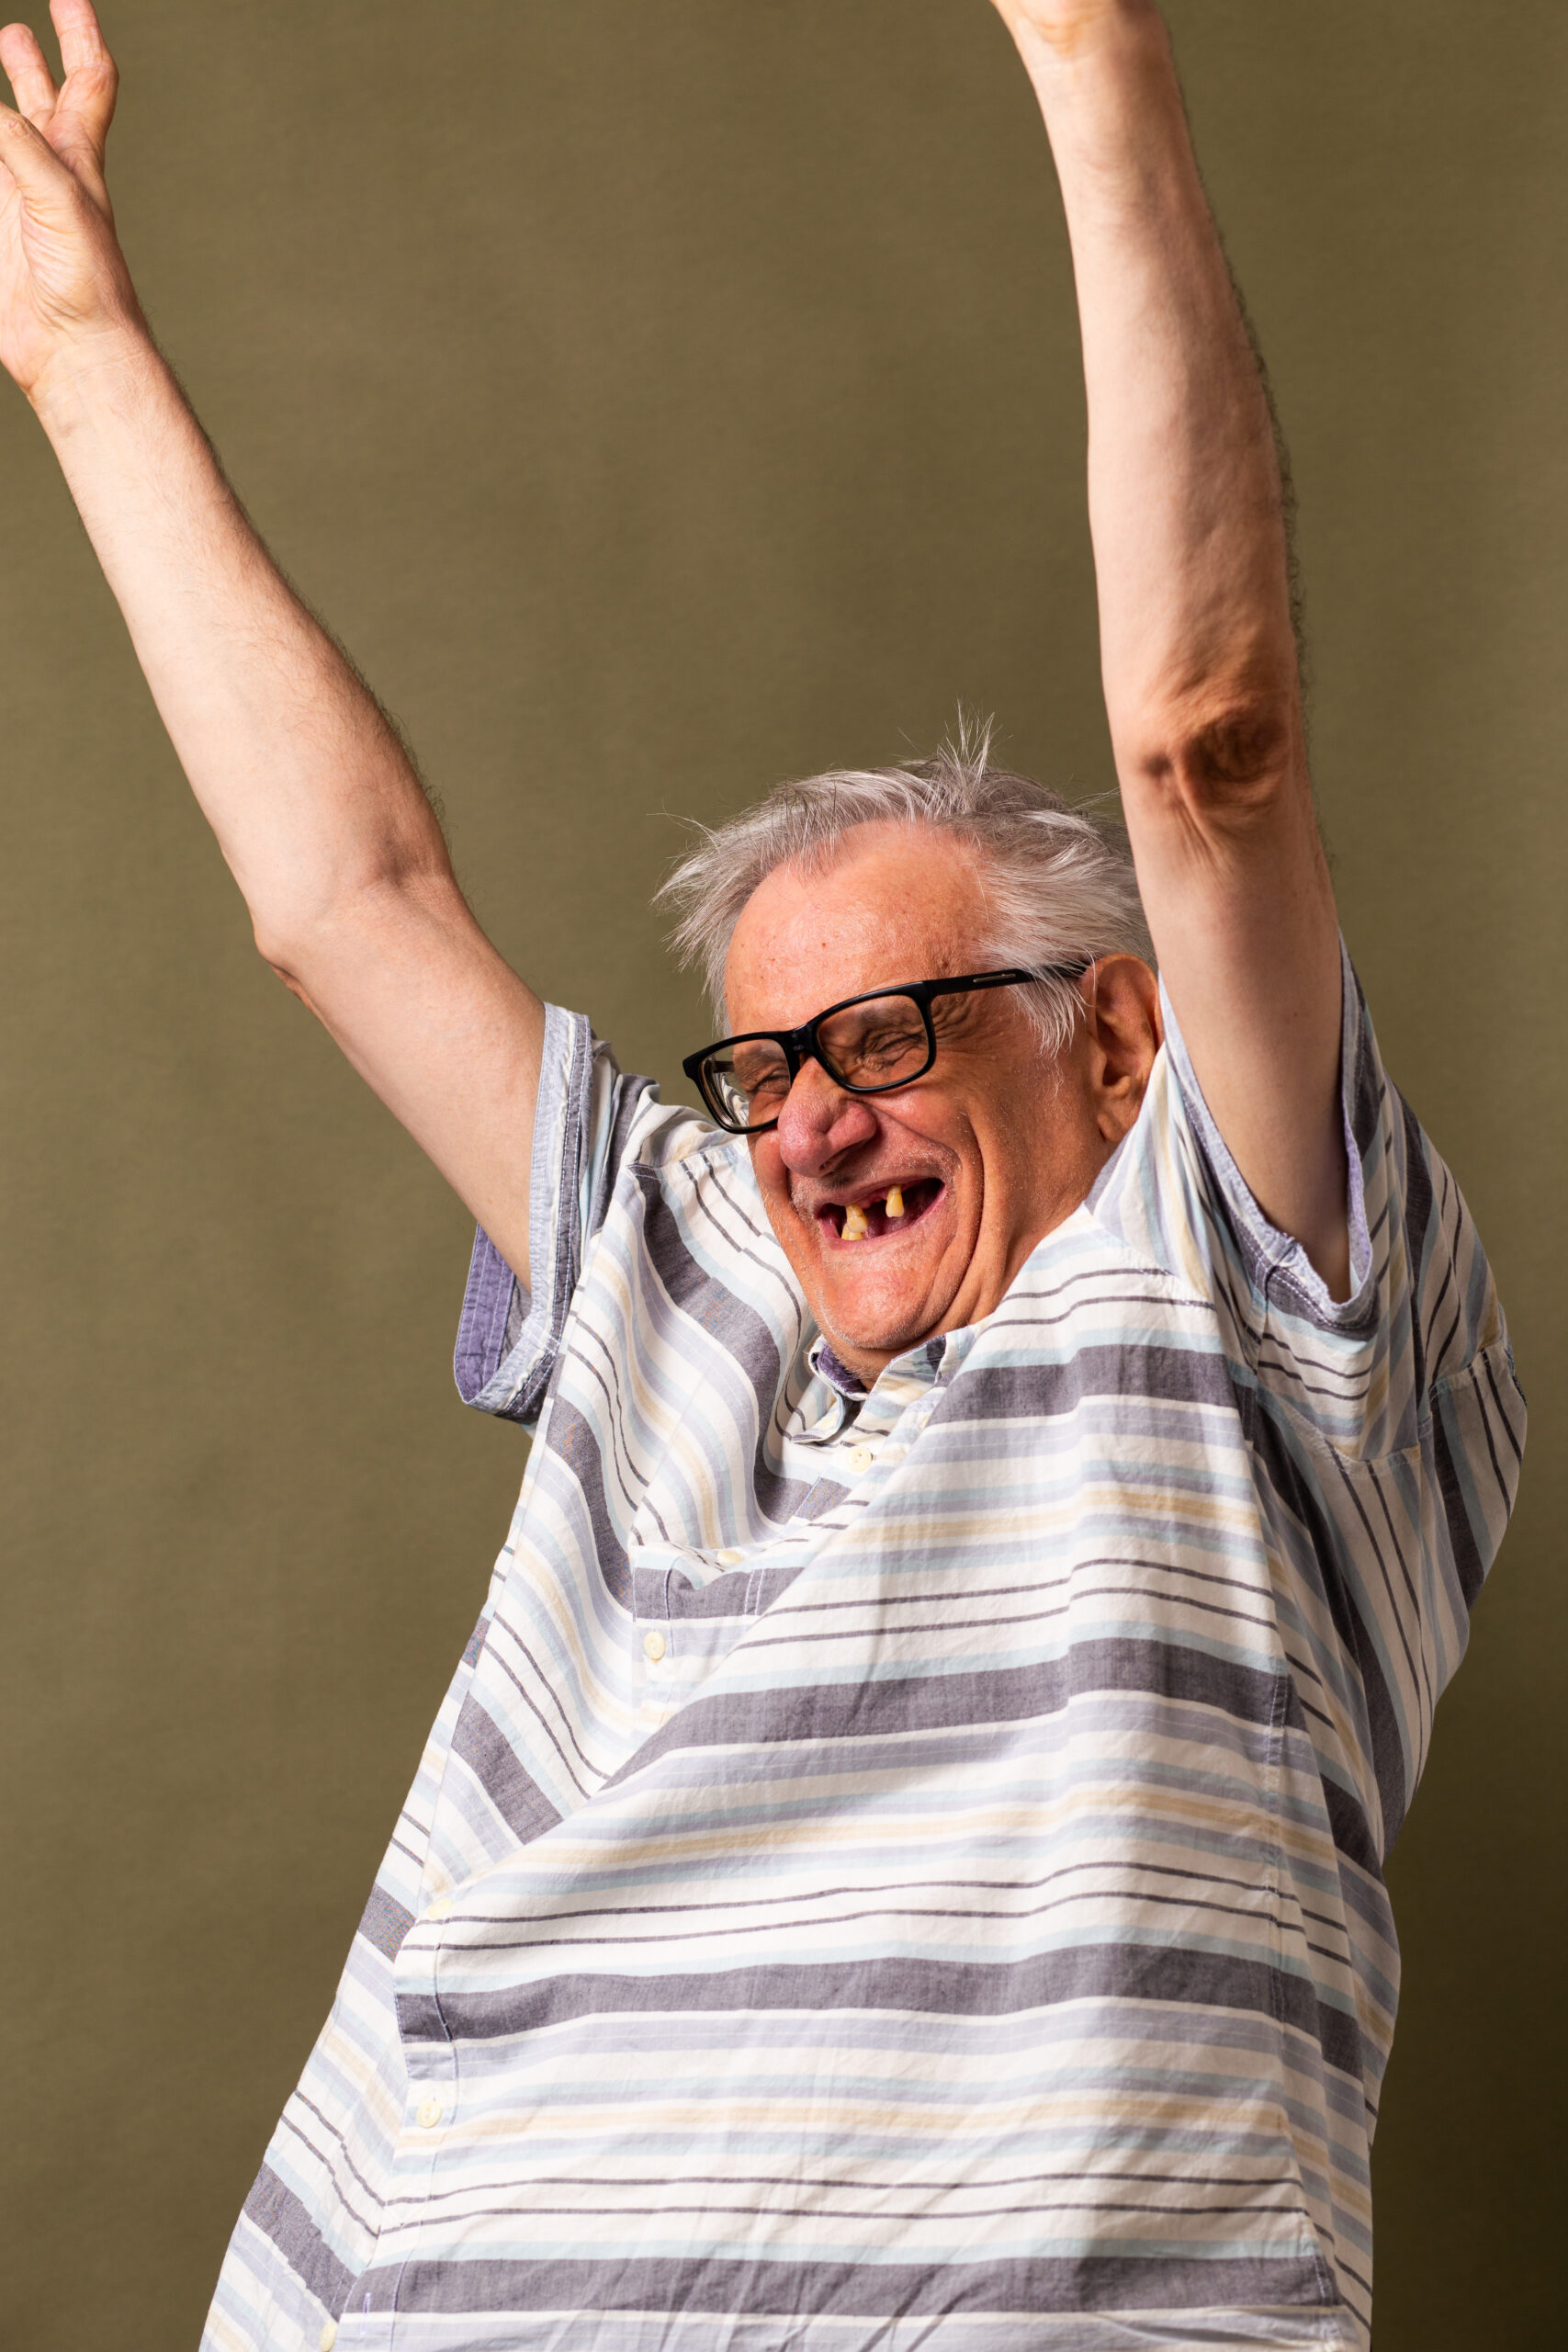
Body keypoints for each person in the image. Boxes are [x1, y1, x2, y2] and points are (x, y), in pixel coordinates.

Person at [0, 2, 1525, 2347]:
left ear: (1114, 1039)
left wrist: (1090, 57)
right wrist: (78, 347)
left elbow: (1204, 743)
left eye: (888, 1036)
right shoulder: (683, 1255)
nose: (808, 1122)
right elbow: (344, 902)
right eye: (766, 1068)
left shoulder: (1242, 1307)